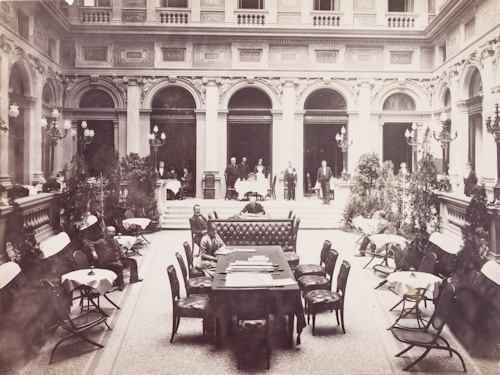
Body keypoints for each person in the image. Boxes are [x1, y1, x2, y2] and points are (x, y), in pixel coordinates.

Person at [88, 226, 143, 290]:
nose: (111, 233)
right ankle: (120, 283)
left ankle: (134, 279)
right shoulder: (101, 241)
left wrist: (125, 259)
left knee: (133, 261)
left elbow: (120, 251)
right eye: (109, 232)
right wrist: (93, 252)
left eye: (113, 232)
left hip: (118, 260)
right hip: (108, 262)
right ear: (105, 233)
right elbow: (90, 244)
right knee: (119, 265)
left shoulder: (115, 240)